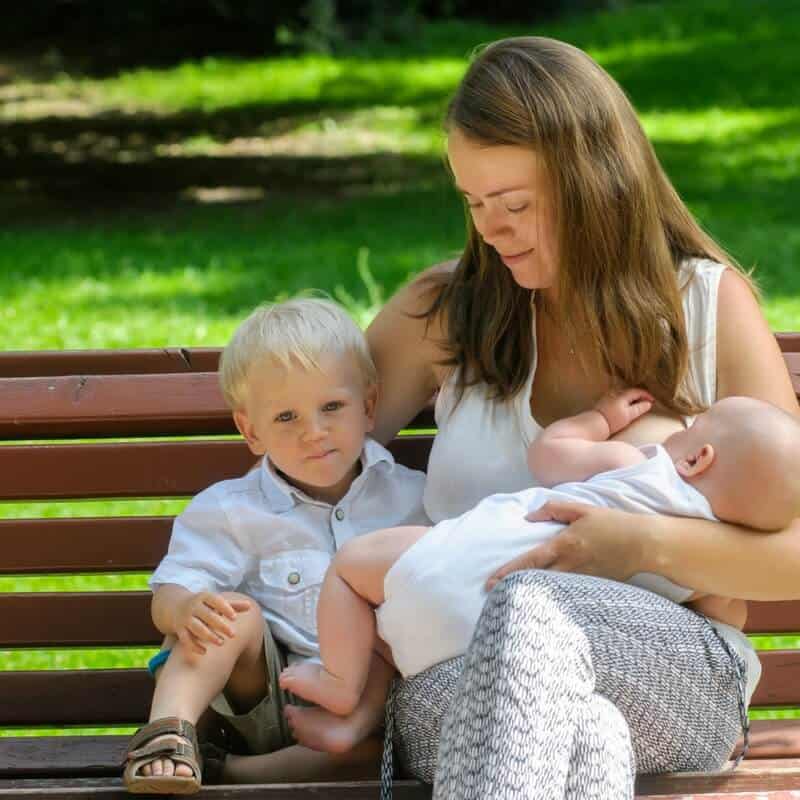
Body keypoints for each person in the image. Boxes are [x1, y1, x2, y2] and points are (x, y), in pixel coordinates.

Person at [361, 35, 800, 799]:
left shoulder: (706, 307)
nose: (491, 230)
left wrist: (640, 544)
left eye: (516, 204)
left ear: (595, 182)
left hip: (672, 668)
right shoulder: (445, 313)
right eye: (474, 204)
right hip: (450, 671)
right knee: (587, 731)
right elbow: (308, 455)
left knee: (530, 605)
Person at [278, 390, 800, 718]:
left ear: (697, 458)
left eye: (691, 426)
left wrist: (597, 417)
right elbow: (725, 620)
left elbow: (549, 455)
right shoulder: (704, 568)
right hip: (486, 657)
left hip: (455, 572)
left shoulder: (641, 467)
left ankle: (342, 684)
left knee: (351, 567)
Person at [122, 298, 428, 794]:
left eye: (332, 407)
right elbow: (170, 594)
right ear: (251, 431)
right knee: (228, 613)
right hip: (269, 702)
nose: (314, 432)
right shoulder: (231, 509)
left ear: (369, 406)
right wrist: (185, 608)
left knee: (384, 741)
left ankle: (224, 772)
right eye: (287, 417)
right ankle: (168, 734)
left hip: (369, 719)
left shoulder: (415, 499)